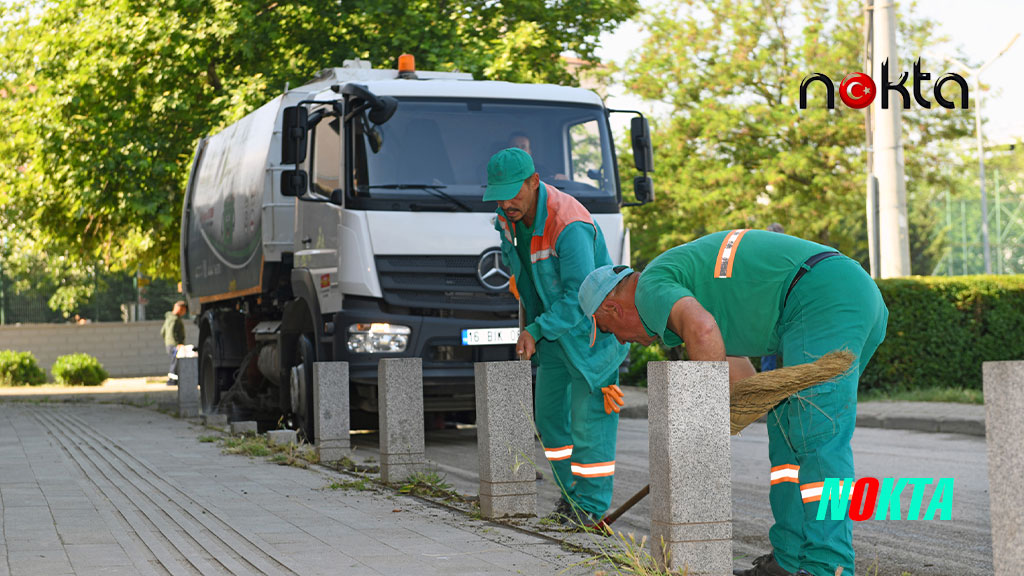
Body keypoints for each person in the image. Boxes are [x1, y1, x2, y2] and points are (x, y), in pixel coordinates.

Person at [578, 230, 888, 576]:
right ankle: (788, 559)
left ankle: (828, 565)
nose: (621, 339)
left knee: (818, 438)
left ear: (611, 307)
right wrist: (716, 425)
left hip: (825, 298)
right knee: (788, 433)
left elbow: (703, 332)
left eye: (608, 330)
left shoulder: (651, 286)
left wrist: (702, 426)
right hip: (836, 294)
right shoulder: (687, 286)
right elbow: (741, 378)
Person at [484, 147, 629, 530]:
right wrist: (533, 324)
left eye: (514, 192)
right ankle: (571, 498)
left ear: (534, 182)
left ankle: (591, 508)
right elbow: (526, 277)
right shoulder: (507, 220)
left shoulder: (569, 223)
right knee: (549, 419)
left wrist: (536, 329)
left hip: (589, 337)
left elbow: (581, 296)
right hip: (551, 339)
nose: (506, 202)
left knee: (589, 424)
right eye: (499, 194)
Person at [161, 300, 187, 386]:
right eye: (184, 310)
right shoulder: (174, 319)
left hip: (169, 343)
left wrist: (167, 341)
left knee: (175, 361)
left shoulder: (169, 318)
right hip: (174, 344)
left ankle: (174, 379)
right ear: (180, 308)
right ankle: (171, 380)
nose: (184, 312)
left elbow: (162, 332)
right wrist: (177, 344)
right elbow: (172, 331)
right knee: (175, 362)